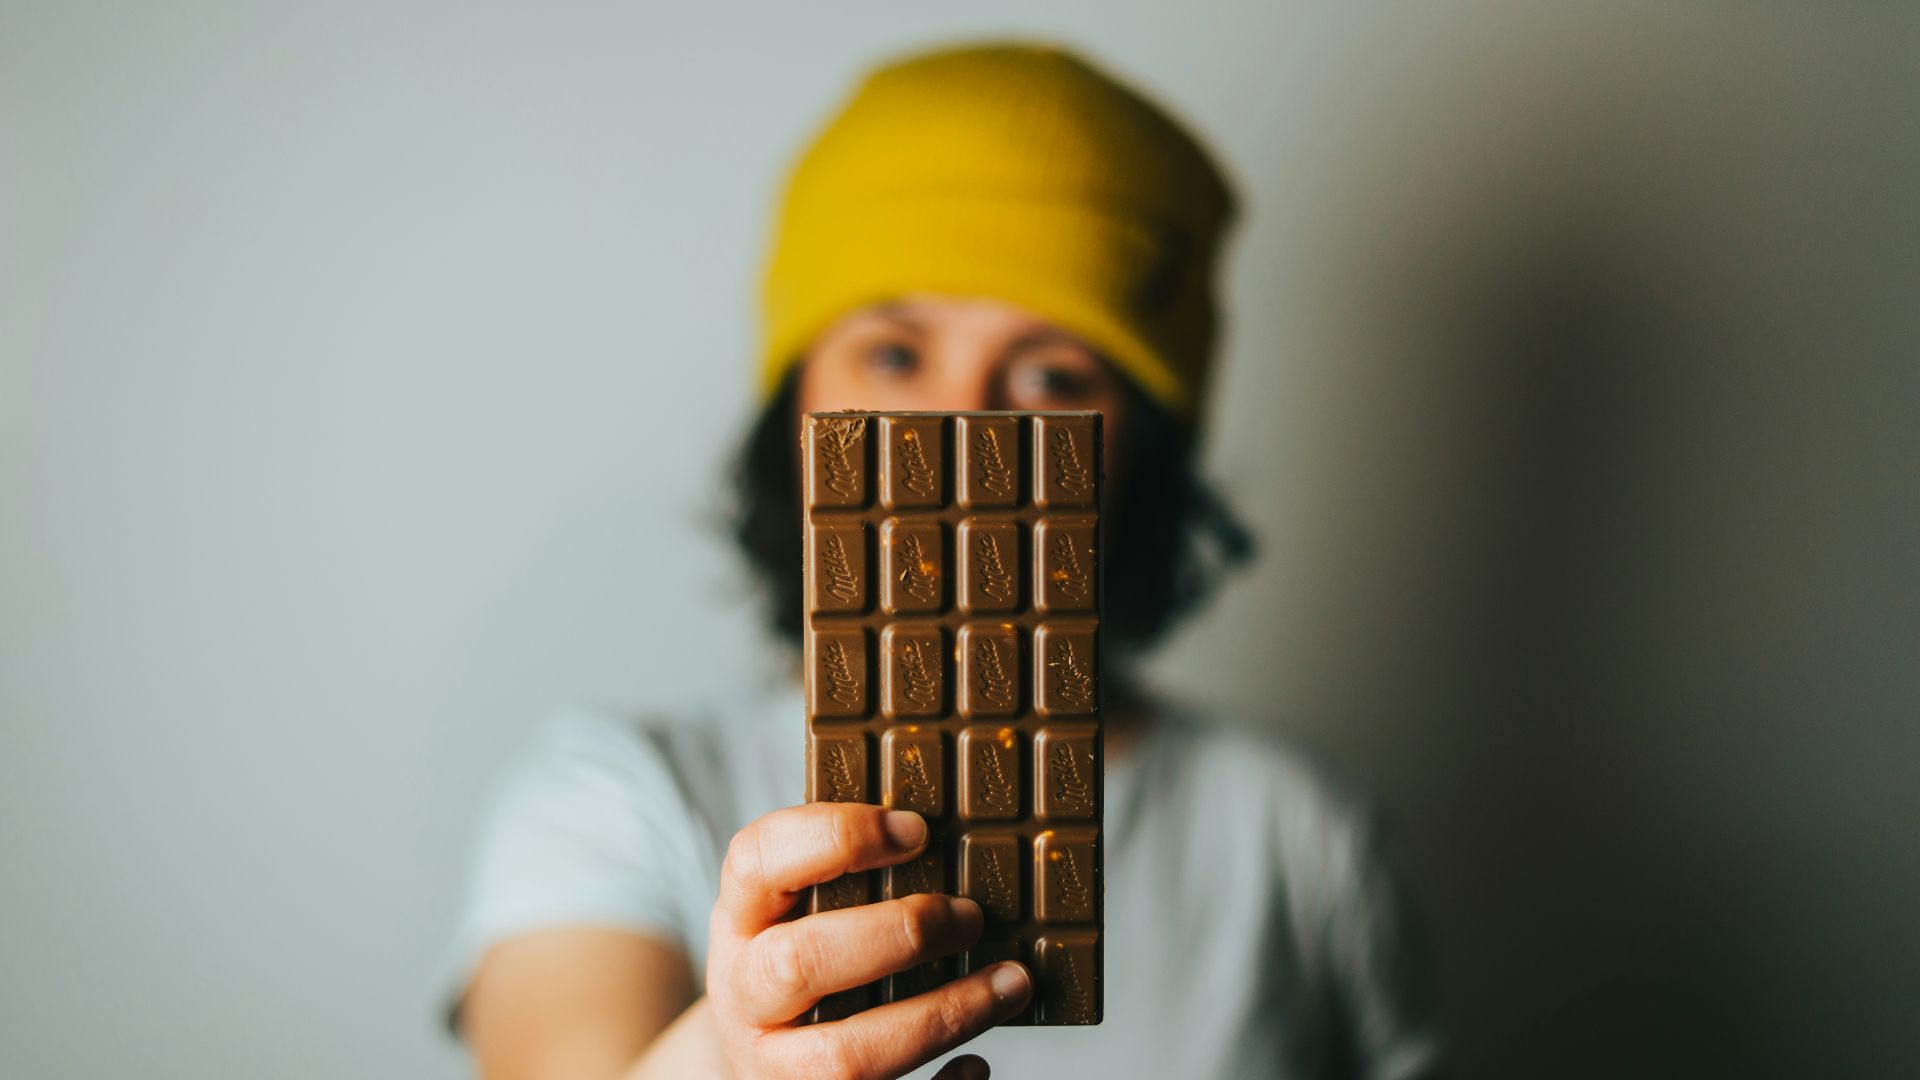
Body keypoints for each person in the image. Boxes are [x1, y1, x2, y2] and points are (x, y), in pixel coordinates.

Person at [444, 41, 1441, 1080]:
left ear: (1142, 452)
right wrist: (728, 1063)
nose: (963, 427)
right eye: (894, 354)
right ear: (795, 414)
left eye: (1054, 376)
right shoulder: (616, 800)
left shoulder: (1302, 837)